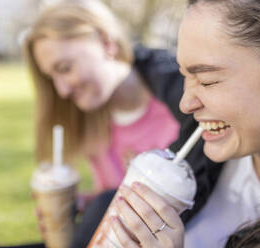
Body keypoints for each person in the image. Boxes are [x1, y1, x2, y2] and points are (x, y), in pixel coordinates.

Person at [103, 0, 260, 247]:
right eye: (184, 75)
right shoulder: (202, 148)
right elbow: (152, 64)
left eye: (208, 81)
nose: (186, 104)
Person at [24, 0, 180, 210]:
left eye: (65, 68)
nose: (62, 91)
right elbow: (112, 196)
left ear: (107, 43)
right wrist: (85, 205)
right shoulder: (92, 123)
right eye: (51, 77)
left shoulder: (179, 108)